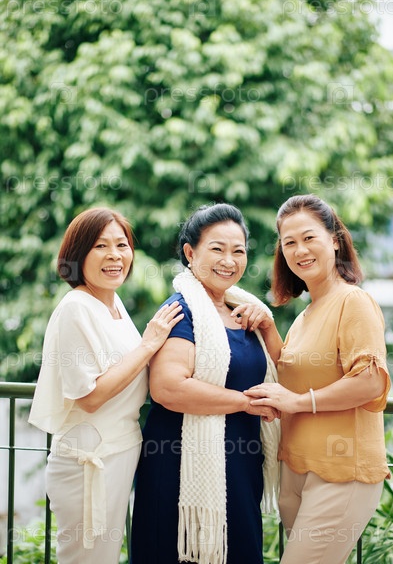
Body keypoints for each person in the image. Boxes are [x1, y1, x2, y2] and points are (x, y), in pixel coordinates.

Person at [28, 206, 183, 564]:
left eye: (121, 245)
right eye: (101, 246)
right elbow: (90, 396)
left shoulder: (113, 305)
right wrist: (149, 344)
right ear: (78, 255)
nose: (115, 255)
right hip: (87, 464)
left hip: (120, 452)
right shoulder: (75, 308)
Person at [130, 203, 282, 564]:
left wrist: (269, 326)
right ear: (190, 253)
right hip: (180, 464)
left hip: (241, 466)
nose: (229, 260)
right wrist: (245, 403)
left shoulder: (244, 312)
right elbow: (168, 388)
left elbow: (286, 371)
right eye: (217, 249)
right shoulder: (181, 311)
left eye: (238, 251)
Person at [245, 194, 391, 564]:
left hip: (341, 473)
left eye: (309, 237)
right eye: (289, 242)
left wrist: (297, 403)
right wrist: (268, 328)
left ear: (335, 240)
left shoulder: (353, 302)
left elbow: (371, 382)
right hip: (297, 469)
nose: (300, 250)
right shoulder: (305, 315)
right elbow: (292, 372)